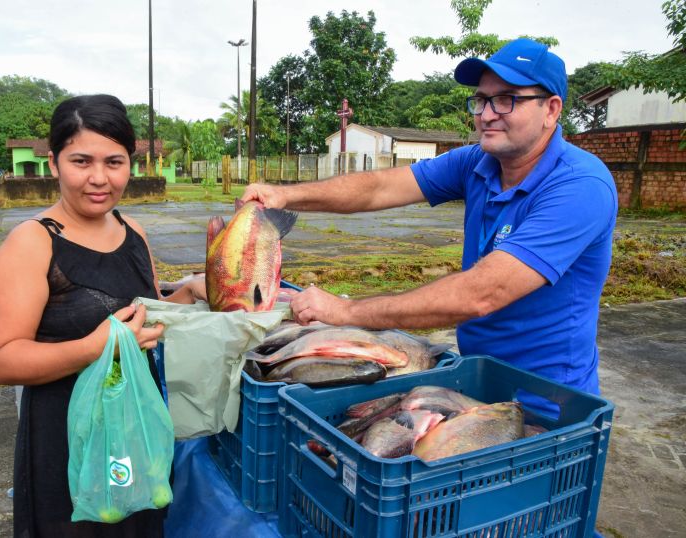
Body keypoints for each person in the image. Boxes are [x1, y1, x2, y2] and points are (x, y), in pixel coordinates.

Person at [242, 39, 618, 416]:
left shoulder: (580, 186)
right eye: (481, 100)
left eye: (507, 100)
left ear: (551, 109)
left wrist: (346, 310)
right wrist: (284, 195)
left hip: (549, 403)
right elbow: (379, 188)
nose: (487, 114)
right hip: (476, 378)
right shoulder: (478, 162)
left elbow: (482, 293)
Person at [0, 94, 205, 537]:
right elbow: (1, 360)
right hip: (68, 440)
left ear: (132, 166)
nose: (99, 178)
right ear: (54, 164)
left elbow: (142, 318)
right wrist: (93, 348)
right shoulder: (33, 243)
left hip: (135, 427)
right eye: (81, 161)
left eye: (114, 162)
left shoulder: (132, 231)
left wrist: (189, 294)